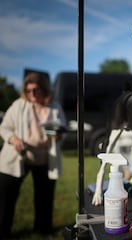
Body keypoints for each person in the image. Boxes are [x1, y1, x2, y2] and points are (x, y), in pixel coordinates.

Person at [0, 72, 66, 238]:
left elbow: (62, 130)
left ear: (44, 89)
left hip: (44, 159)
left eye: (35, 90)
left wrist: (57, 135)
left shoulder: (55, 107)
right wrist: (13, 139)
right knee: (6, 197)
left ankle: (43, 229)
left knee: (44, 197)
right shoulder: (19, 105)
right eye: (28, 91)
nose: (32, 94)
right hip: (16, 157)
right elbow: (4, 127)